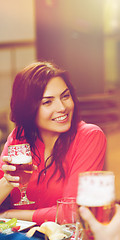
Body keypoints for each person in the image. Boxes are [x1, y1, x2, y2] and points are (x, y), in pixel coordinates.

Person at [0, 62, 106, 225]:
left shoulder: (90, 136)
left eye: (65, 96)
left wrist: (11, 215)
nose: (62, 107)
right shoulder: (18, 138)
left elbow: (73, 212)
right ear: (29, 108)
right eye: (47, 102)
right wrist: (8, 182)